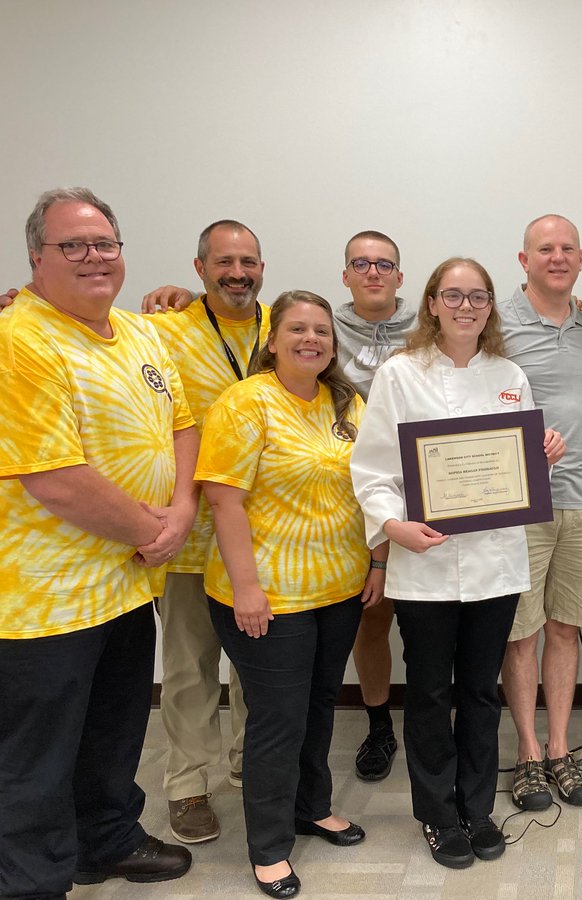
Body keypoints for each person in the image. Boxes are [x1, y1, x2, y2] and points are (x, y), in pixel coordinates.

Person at [0, 188, 196, 896]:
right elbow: (52, 478)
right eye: (73, 245)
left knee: (112, 731)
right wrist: (158, 530)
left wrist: (180, 508)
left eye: (104, 243)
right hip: (42, 600)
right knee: (34, 755)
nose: (93, 257)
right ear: (35, 256)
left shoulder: (136, 332)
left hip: (121, 582)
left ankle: (105, 838)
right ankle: (31, 880)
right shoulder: (20, 339)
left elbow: (184, 421)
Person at [351, 258, 565, 869]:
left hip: (496, 564)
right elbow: (372, 468)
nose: (466, 306)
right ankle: (437, 815)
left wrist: (542, 453)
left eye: (478, 296)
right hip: (426, 564)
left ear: (491, 306)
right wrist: (393, 528)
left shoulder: (510, 375)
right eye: (454, 295)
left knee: (478, 691)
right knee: (427, 692)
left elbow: (516, 477)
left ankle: (477, 806)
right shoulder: (399, 375)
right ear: (432, 303)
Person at [198, 291, 383, 897]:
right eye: (297, 330)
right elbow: (223, 501)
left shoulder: (346, 400)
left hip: (337, 586)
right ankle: (270, 846)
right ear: (271, 340)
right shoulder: (246, 402)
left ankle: (312, 806)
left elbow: (374, 483)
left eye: (322, 331)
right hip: (266, 596)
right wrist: (247, 589)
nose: (311, 340)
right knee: (277, 719)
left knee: (319, 705)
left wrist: (374, 562)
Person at [143, 219, 267, 844]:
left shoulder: (281, 327)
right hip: (190, 535)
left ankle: (251, 766)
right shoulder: (165, 329)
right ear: (198, 269)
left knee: (257, 663)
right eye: (224, 262)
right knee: (191, 665)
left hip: (261, 535)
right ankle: (188, 785)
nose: (237, 272)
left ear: (263, 269)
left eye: (248, 261)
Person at [499, 214, 582, 809]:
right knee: (523, 634)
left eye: (567, 248)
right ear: (524, 260)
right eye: (545, 248)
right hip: (521, 505)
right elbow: (471, 401)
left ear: (581, 258)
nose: (556, 257)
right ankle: (528, 754)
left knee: (565, 628)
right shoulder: (497, 322)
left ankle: (561, 749)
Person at [334, 230, 418, 783]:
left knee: (431, 619)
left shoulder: (429, 322)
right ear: (345, 275)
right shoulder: (320, 323)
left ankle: (434, 723)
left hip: (426, 490)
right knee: (373, 616)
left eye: (384, 264)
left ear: (400, 276)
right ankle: (379, 724)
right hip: (352, 491)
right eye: (361, 264)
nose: (373, 273)